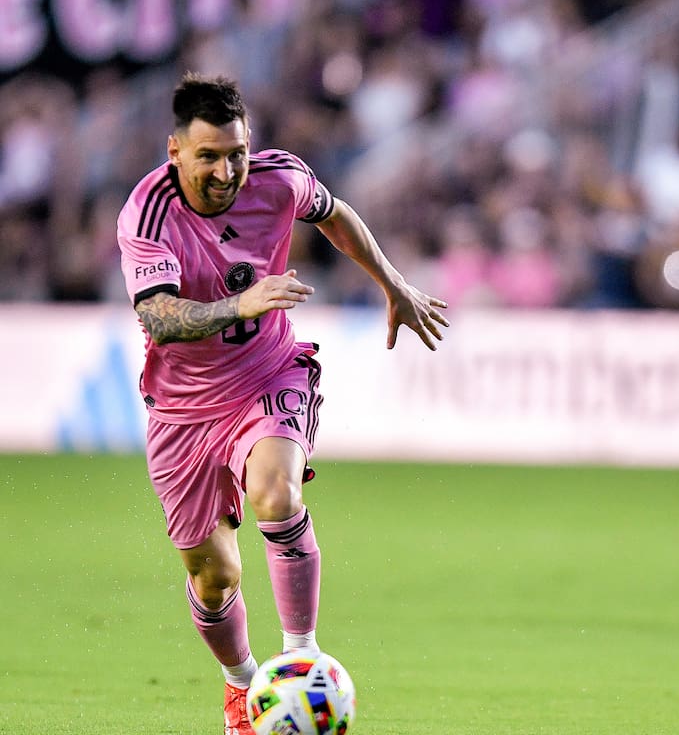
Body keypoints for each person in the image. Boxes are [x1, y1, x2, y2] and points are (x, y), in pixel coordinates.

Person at [116, 73, 449, 734]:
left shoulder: (280, 178)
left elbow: (336, 215)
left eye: (237, 152)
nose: (227, 170)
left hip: (269, 373)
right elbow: (159, 318)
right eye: (208, 155)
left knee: (277, 496)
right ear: (175, 150)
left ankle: (302, 658)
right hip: (182, 411)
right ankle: (242, 684)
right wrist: (241, 302)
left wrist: (393, 283)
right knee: (214, 582)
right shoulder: (148, 213)